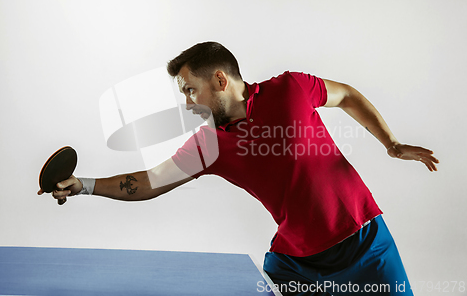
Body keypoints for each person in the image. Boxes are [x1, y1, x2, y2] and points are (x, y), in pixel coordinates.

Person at [38, 41, 439, 295]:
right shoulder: (210, 146)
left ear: (219, 80)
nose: (188, 102)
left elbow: (347, 95)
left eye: (190, 90)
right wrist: (84, 185)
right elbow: (148, 182)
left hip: (367, 241)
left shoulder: (291, 89)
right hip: (299, 262)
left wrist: (391, 143)